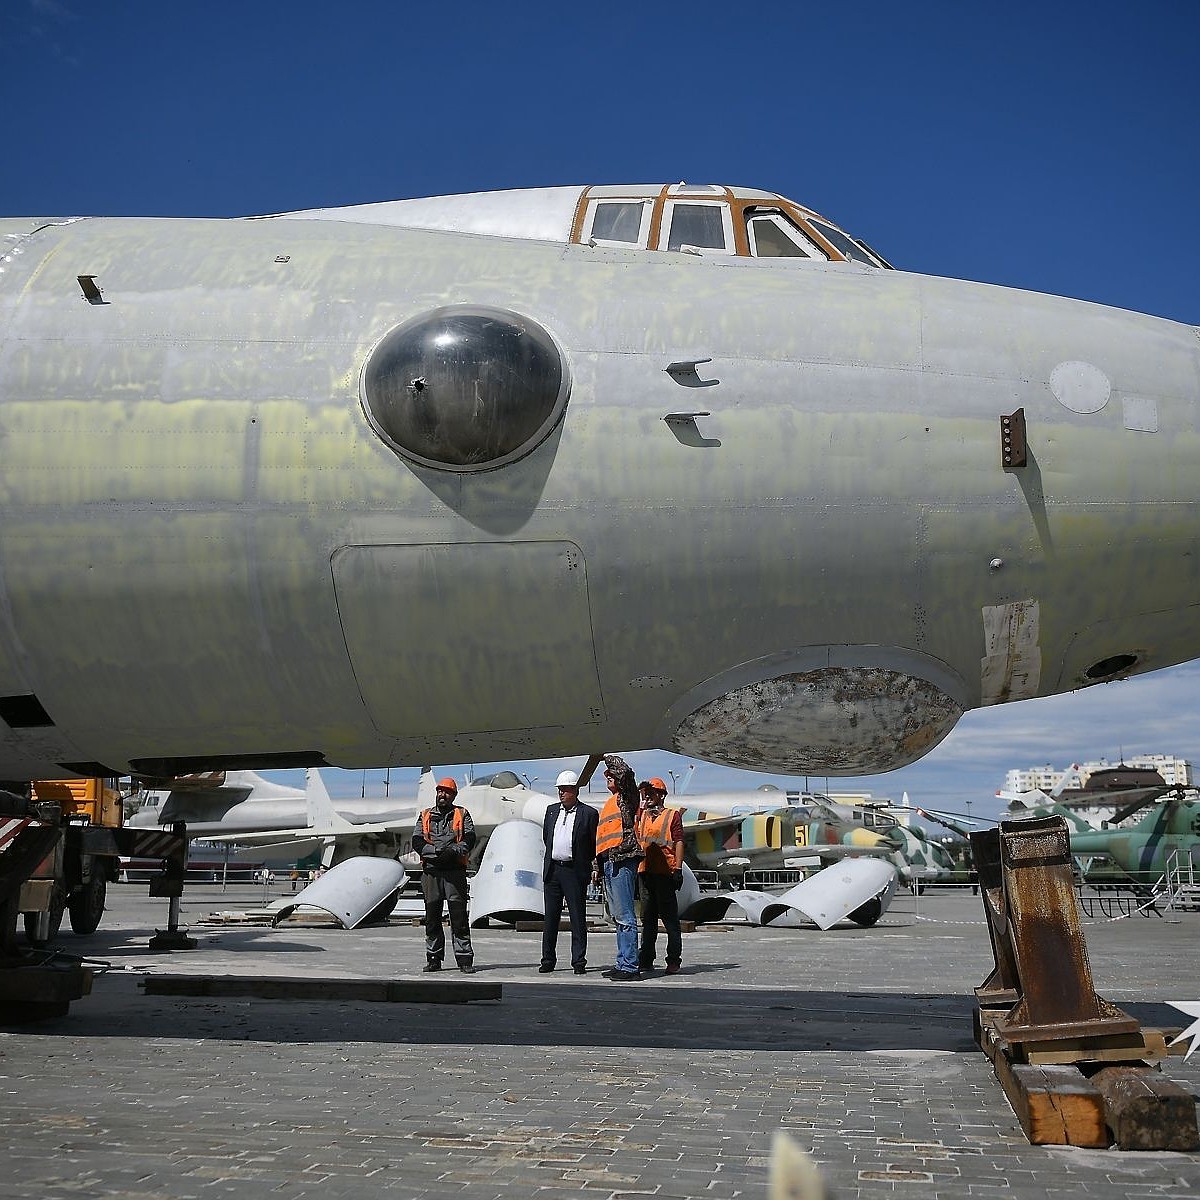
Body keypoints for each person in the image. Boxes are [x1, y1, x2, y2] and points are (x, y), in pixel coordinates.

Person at [412, 777, 477, 973]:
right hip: (432, 873)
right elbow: (417, 841)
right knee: (432, 917)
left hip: (454, 872)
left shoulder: (462, 814)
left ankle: (464, 959)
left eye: (447, 792)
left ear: (453, 795)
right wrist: (435, 854)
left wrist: (451, 853)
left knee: (458, 917)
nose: (443, 795)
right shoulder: (425, 816)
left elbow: (469, 839)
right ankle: (433, 958)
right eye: (440, 791)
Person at [540, 769, 599, 975]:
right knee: (550, 919)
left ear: (575, 790)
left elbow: (593, 843)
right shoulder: (551, 811)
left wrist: (592, 867)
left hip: (574, 871)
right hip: (553, 870)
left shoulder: (589, 814)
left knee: (577, 917)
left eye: (565, 790)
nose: (561, 794)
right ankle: (547, 960)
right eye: (559, 790)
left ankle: (579, 961)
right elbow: (547, 837)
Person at [593, 753, 643, 981]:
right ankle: (623, 961)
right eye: (607, 776)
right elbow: (602, 839)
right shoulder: (609, 804)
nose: (609, 778)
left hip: (623, 859)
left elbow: (626, 774)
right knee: (618, 917)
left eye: (611, 775)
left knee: (625, 916)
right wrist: (597, 866)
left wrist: (606, 757)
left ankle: (630, 966)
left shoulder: (626, 798)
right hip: (610, 862)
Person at [635, 777, 685, 975]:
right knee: (648, 920)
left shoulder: (672, 816)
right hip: (645, 872)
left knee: (670, 920)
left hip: (665, 873)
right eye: (646, 794)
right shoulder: (642, 815)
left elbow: (679, 841)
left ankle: (673, 960)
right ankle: (646, 959)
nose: (647, 796)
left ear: (661, 795)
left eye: (651, 793)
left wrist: (678, 869)